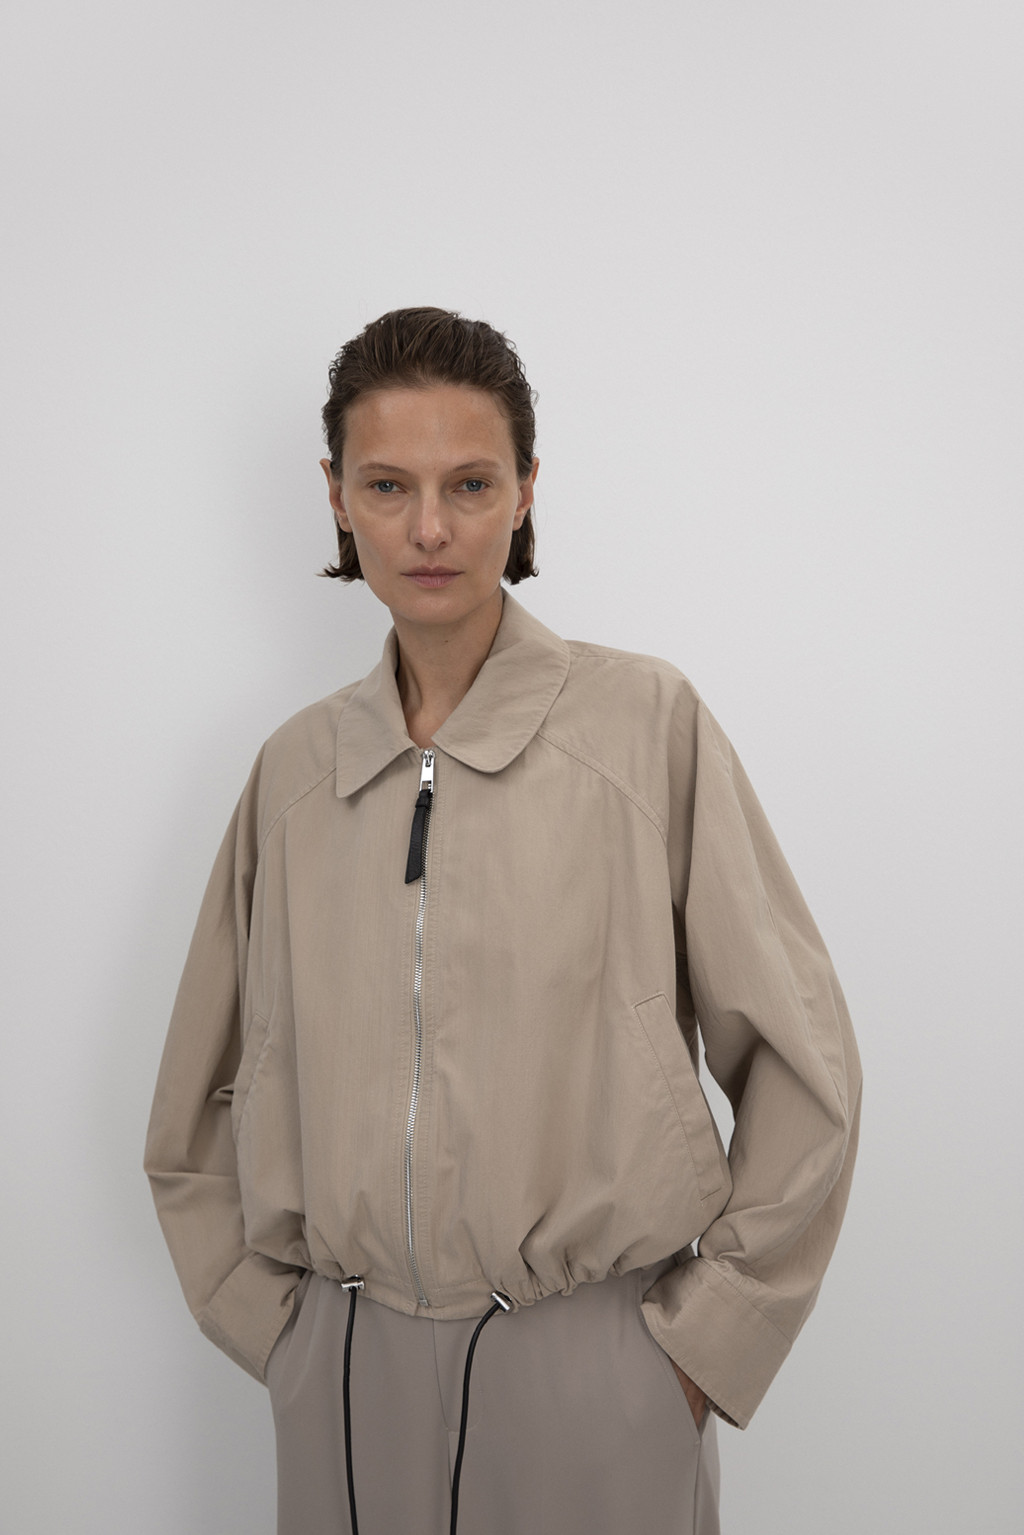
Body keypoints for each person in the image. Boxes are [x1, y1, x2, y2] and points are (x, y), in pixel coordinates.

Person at [145, 306, 862, 1535]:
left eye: (469, 483)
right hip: (344, 1381)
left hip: (595, 1375)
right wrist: (282, 1334)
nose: (429, 527)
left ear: (527, 490)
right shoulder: (295, 774)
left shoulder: (644, 727)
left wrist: (697, 1350)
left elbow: (804, 1066)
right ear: (335, 496)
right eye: (388, 484)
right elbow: (194, 1103)